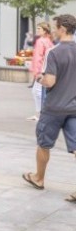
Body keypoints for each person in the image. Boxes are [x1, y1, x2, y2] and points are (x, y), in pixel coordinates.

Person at [21, 14, 76, 203]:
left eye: (55, 26)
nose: (54, 30)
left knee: (44, 144)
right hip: (74, 107)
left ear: (62, 29)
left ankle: (38, 178)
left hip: (54, 108)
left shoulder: (54, 52)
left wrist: (39, 78)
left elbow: (50, 81)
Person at [27, 22, 54, 121]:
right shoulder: (49, 41)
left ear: (44, 31)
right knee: (39, 92)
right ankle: (40, 113)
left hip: (41, 70)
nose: (37, 30)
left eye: (39, 29)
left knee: (37, 92)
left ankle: (41, 114)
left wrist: (36, 72)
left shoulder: (40, 41)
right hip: (47, 69)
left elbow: (38, 57)